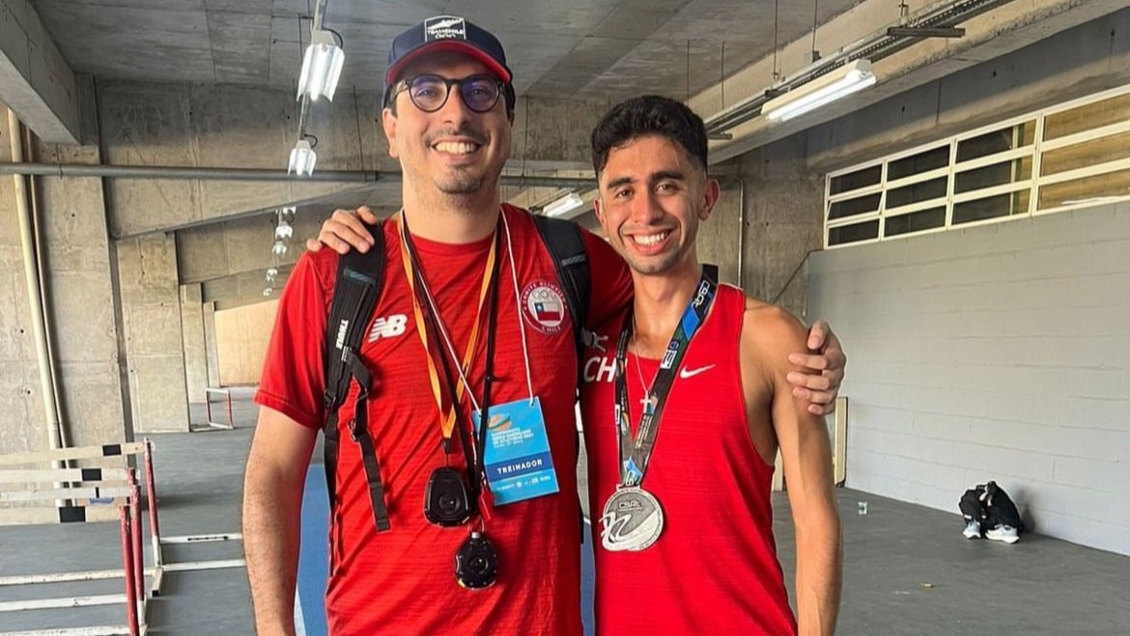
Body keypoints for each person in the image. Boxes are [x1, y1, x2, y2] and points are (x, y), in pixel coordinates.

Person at [246, 15, 845, 636]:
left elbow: (674, 303)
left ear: (505, 127)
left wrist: (808, 355)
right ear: (392, 128)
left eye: (480, 93)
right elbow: (271, 474)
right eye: (426, 90)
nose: (455, 113)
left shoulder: (572, 263)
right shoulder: (335, 280)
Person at [580, 95, 841, 635]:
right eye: (623, 191)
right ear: (602, 212)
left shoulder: (769, 339)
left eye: (667, 185)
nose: (646, 211)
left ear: (706, 197)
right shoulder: (586, 340)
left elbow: (816, 522)